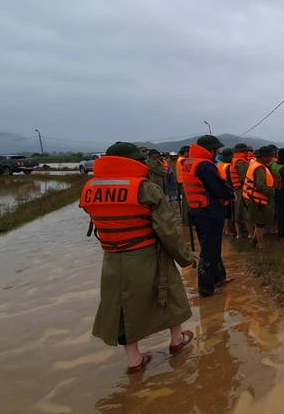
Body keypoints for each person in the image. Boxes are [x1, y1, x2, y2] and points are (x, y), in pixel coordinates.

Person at [80, 141, 197, 374]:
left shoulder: (90, 187)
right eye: (139, 159)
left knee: (120, 304)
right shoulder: (144, 187)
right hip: (148, 252)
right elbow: (167, 230)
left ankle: (134, 359)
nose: (143, 162)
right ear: (129, 161)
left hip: (112, 257)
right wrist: (186, 257)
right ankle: (176, 340)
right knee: (170, 291)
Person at [179, 135, 235, 297]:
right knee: (209, 250)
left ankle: (218, 277)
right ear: (209, 150)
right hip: (209, 211)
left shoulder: (190, 162)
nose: (217, 152)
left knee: (213, 246)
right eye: (216, 149)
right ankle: (206, 287)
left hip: (199, 210)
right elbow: (219, 187)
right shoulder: (204, 165)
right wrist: (230, 195)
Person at [243, 145, 275, 250]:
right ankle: (260, 244)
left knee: (258, 221)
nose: (272, 158)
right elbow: (261, 185)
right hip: (258, 200)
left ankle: (254, 240)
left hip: (253, 198)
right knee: (260, 223)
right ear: (264, 157)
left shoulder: (254, 163)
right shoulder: (260, 168)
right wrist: (271, 192)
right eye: (270, 156)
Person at [230, 143, 251, 239]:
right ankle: (250, 232)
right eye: (247, 150)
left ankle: (239, 233)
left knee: (237, 211)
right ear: (243, 151)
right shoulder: (241, 162)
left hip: (236, 188)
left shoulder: (234, 160)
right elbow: (244, 177)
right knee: (245, 211)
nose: (248, 152)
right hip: (242, 189)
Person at [216, 148, 235, 236]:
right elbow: (230, 180)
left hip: (218, 189)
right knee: (228, 212)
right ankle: (228, 230)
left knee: (222, 210)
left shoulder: (219, 165)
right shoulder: (229, 167)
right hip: (226, 189)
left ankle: (223, 229)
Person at [176, 145, 190, 225]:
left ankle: (186, 220)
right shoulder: (183, 160)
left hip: (182, 182)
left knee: (185, 202)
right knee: (186, 203)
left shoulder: (180, 159)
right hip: (184, 183)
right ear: (185, 152)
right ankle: (186, 221)